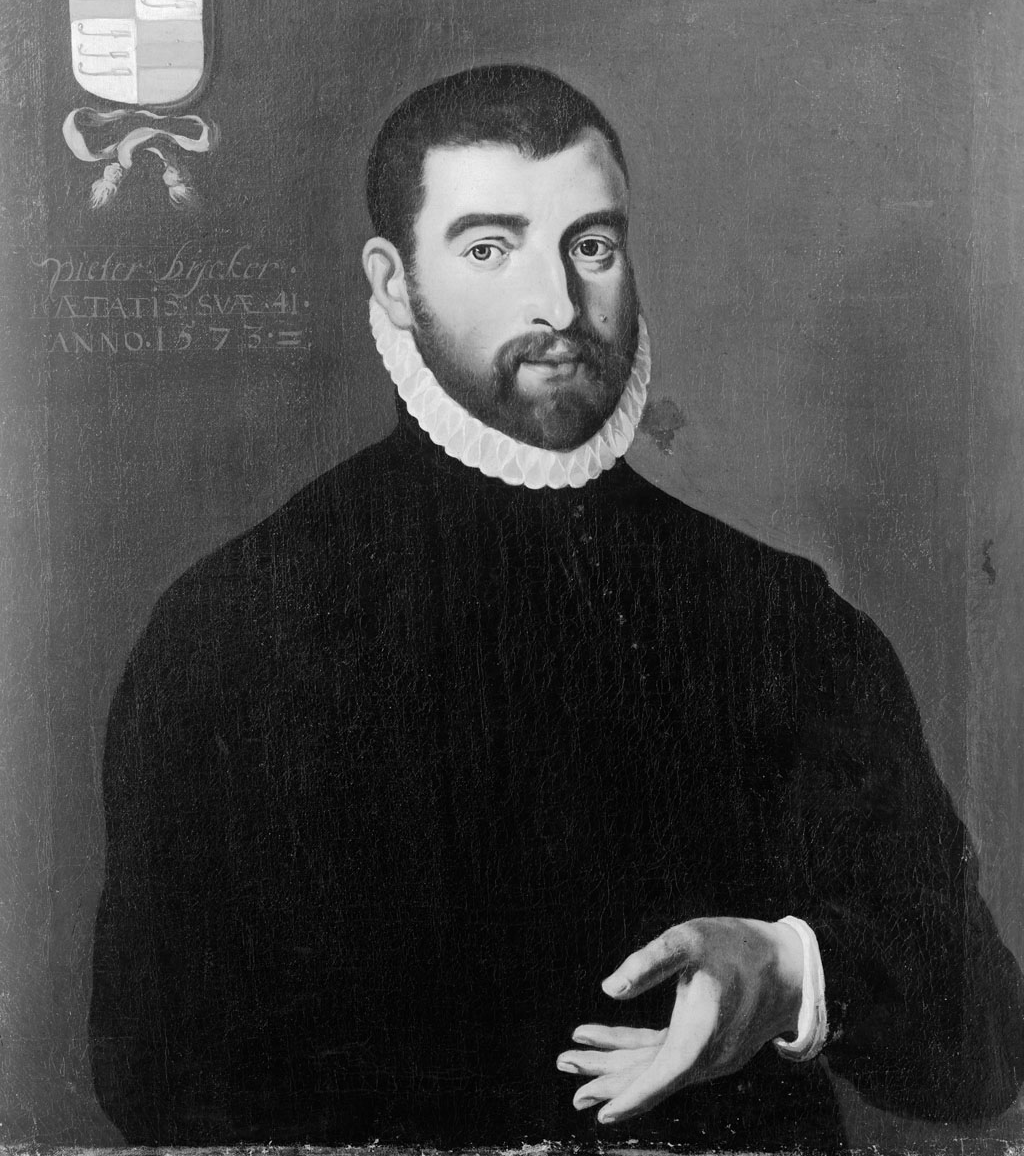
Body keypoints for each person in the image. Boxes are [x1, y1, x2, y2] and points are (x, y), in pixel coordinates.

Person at [89, 64, 1024, 1151]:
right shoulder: (230, 628)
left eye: (591, 245)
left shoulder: (783, 618)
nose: (559, 305)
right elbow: (153, 1079)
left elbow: (982, 1049)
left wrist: (783, 971)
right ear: (393, 283)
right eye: (490, 249)